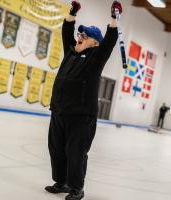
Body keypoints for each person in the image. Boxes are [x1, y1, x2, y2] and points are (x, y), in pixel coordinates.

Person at [45, 1, 122, 200]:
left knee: (76, 153)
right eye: (80, 34)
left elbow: (111, 39)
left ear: (95, 43)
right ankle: (61, 182)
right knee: (56, 149)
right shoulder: (70, 52)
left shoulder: (96, 58)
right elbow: (66, 30)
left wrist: (114, 17)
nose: (80, 37)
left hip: (81, 117)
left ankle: (76, 188)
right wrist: (72, 12)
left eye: (85, 35)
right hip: (59, 112)